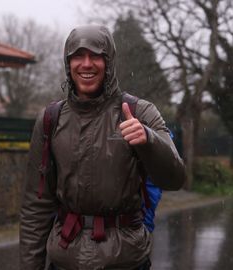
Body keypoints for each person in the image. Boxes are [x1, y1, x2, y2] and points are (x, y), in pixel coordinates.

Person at [20, 25, 186, 270]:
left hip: (126, 261)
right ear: (68, 63)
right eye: (78, 55)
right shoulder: (49, 120)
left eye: (96, 55)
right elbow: (36, 205)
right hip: (65, 260)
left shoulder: (140, 112)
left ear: (109, 61)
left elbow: (175, 179)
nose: (86, 64)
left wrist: (149, 140)